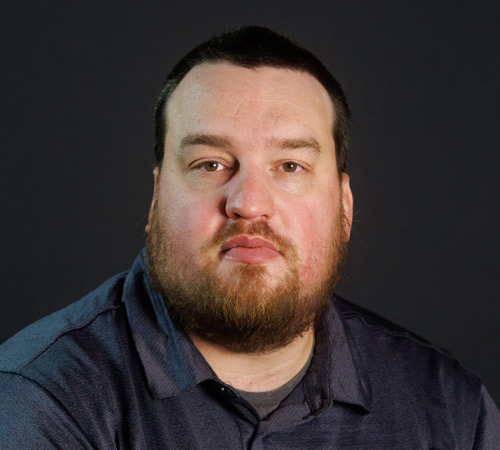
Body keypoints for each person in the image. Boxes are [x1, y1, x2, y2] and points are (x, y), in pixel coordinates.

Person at [0, 26, 498, 449]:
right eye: (210, 164)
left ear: (345, 206)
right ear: (155, 199)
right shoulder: (38, 401)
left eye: (290, 166)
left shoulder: (452, 410)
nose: (249, 203)